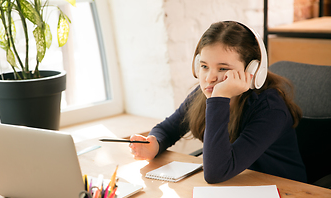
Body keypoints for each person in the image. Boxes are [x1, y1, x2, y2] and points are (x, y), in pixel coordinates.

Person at [129, 21, 307, 183]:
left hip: (284, 192)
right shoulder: (204, 94)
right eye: (204, 66)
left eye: (223, 68)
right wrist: (154, 143)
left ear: (252, 71)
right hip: (238, 184)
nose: (209, 78)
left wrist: (219, 99)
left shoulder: (271, 109)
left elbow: (216, 172)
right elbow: (167, 129)